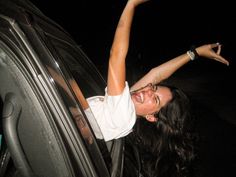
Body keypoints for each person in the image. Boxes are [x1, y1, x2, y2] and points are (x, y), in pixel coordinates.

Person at [86, 0, 229, 142]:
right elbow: (156, 75)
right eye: (153, 88)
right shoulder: (128, 110)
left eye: (155, 99)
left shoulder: (122, 115)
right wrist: (194, 53)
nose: (148, 90)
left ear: (151, 117)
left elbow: (116, 55)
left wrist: (131, 4)